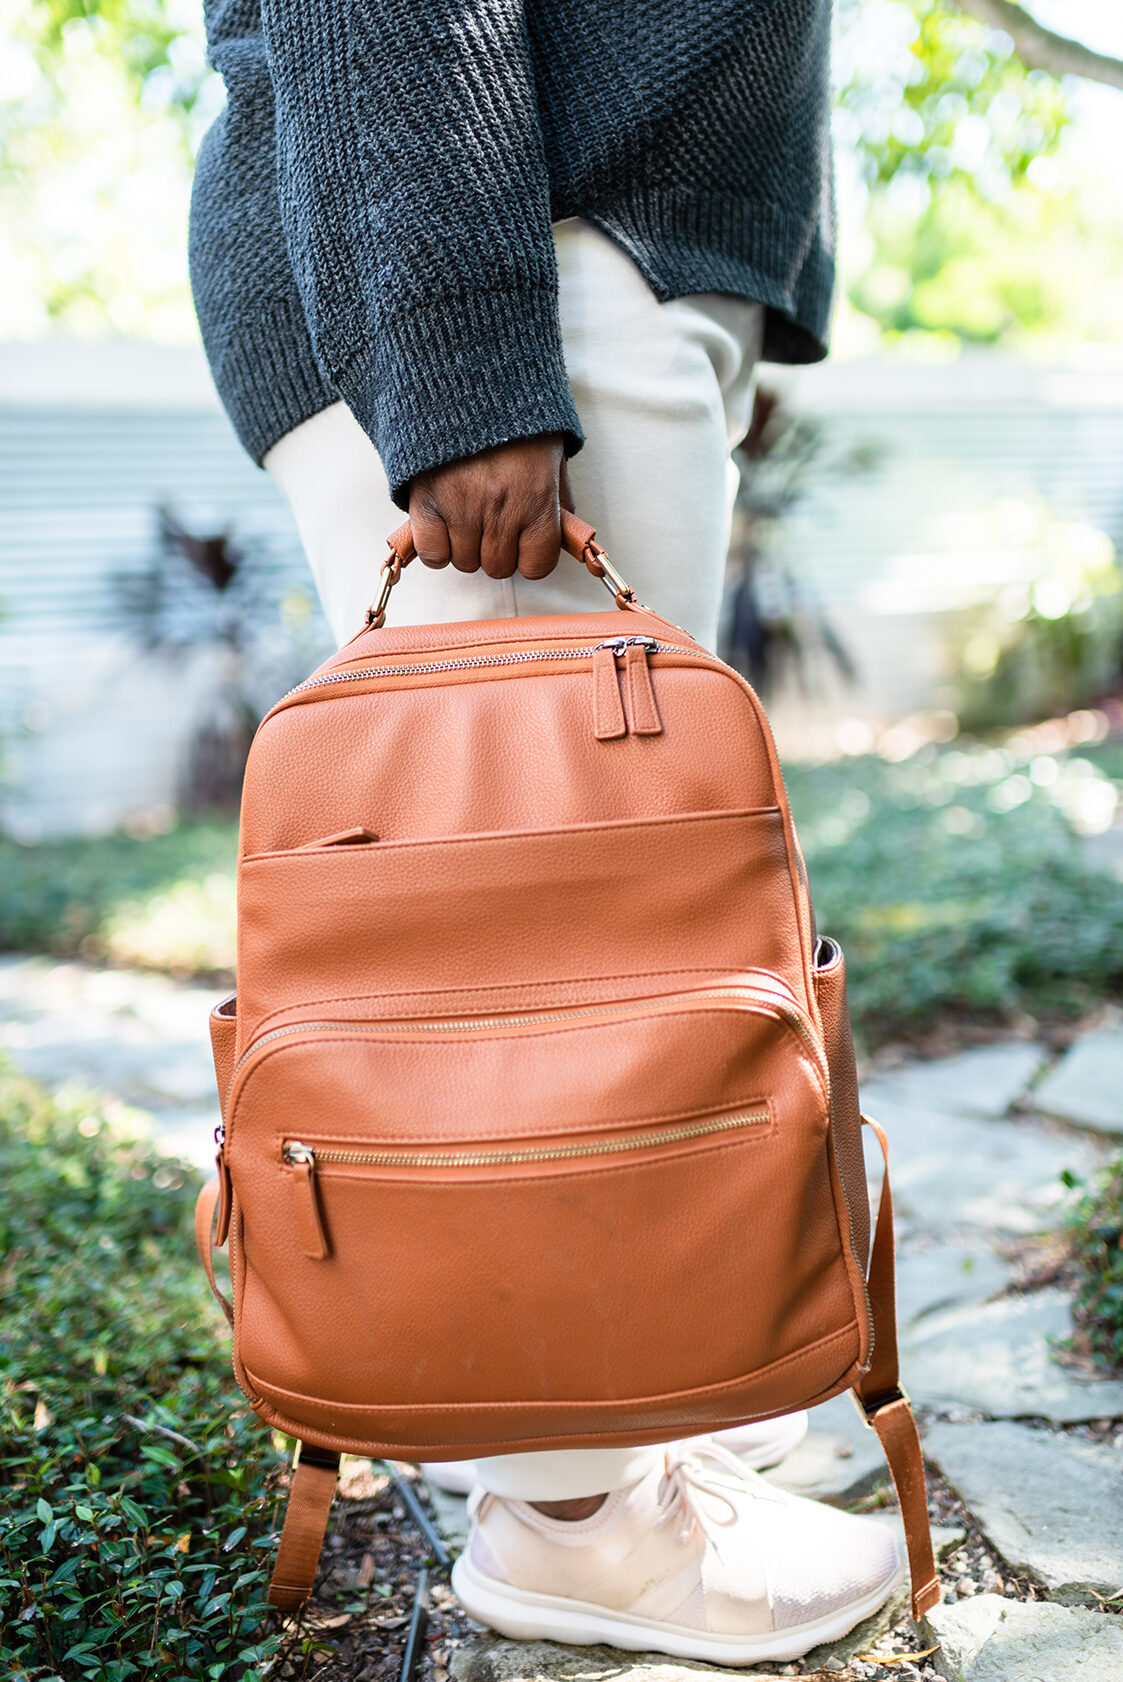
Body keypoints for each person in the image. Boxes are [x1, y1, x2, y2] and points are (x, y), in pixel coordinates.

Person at [188, 0, 905, 1661]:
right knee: (533, 982)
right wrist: (458, 355)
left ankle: (644, 1416)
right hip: (500, 251)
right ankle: (577, 1527)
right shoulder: (487, 318)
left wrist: (737, 305)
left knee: (635, 951)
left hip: (591, 257)